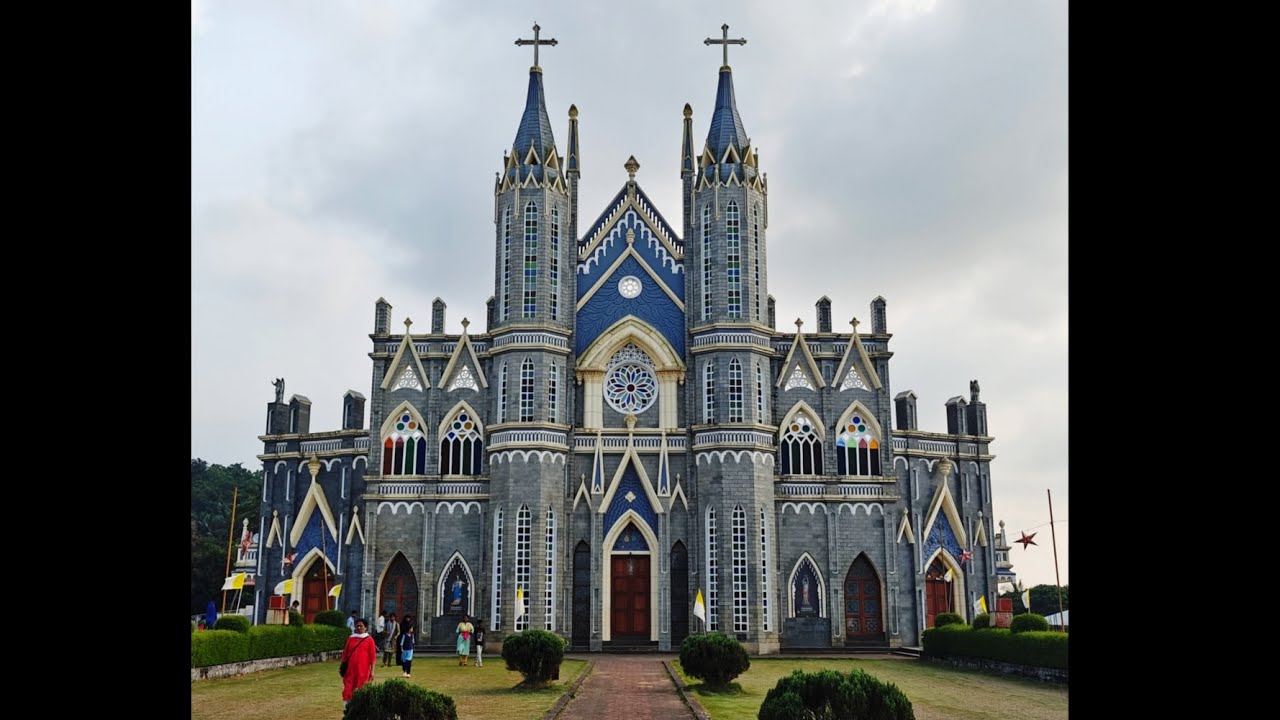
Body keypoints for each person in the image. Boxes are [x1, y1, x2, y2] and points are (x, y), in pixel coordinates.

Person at [339, 618, 377, 712]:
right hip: (350, 670)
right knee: (348, 688)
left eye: (361, 626)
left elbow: (372, 657)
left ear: (365, 627)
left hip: (363, 670)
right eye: (357, 626)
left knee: (362, 688)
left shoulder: (369, 640)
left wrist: (372, 671)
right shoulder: (351, 639)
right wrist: (342, 666)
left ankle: (362, 709)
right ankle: (347, 708)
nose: (359, 628)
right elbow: (345, 653)